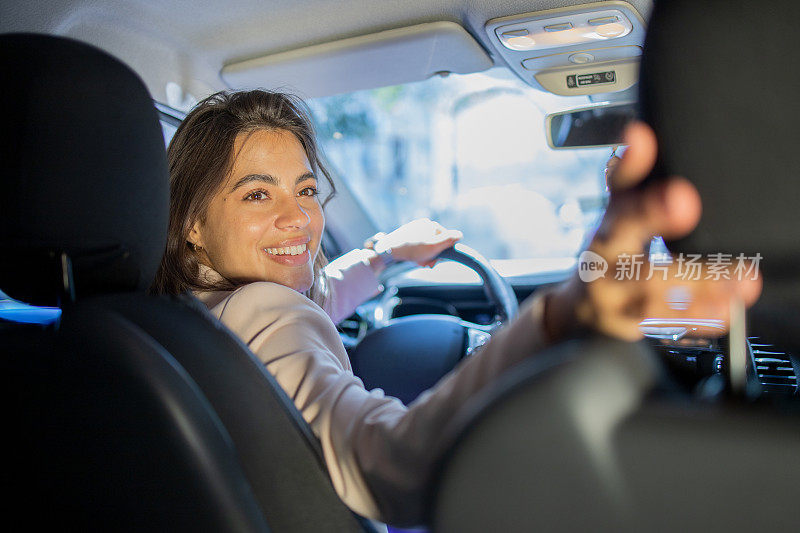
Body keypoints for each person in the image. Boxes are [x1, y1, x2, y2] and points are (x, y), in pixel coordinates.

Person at [152, 90, 760, 526]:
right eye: (257, 193)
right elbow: (389, 465)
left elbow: (321, 293)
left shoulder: (175, 318)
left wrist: (385, 253)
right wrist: (555, 315)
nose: (301, 219)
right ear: (192, 223)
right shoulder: (268, 311)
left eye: (306, 190)